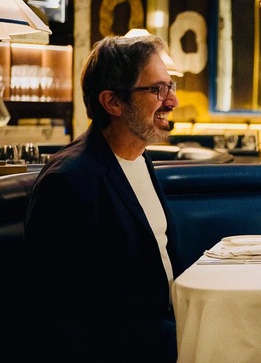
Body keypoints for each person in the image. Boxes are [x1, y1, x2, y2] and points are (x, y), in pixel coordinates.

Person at [23, 35, 181, 362]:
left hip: (167, 336)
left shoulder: (139, 158)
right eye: (157, 90)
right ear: (112, 102)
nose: (171, 101)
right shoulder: (68, 181)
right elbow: (55, 317)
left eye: (170, 86)